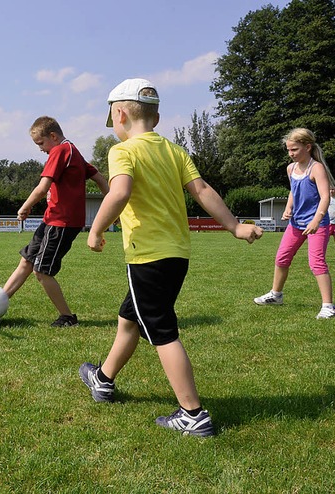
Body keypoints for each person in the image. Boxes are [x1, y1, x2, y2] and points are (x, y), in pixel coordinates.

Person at [79, 78, 263, 437]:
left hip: (147, 256)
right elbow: (203, 190)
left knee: (163, 331)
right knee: (129, 318)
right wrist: (235, 227)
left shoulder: (123, 151)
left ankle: (193, 414)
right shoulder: (174, 151)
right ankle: (103, 379)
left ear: (119, 114)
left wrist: (96, 229)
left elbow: (120, 192)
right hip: (177, 255)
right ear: (157, 119)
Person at [0, 116, 109, 327]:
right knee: (26, 262)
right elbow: (99, 178)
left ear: (53, 136)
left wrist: (25, 206)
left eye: (41, 143)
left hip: (62, 223)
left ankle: (67, 317)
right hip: (52, 220)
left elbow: (42, 187)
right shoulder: (74, 152)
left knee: (42, 271)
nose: (41, 149)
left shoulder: (60, 151)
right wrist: (112, 199)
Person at [254, 128, 335, 319]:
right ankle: (276, 295)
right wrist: (288, 208)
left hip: (317, 224)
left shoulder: (316, 168)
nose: (291, 154)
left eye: (295, 150)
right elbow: (293, 191)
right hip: (296, 224)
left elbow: (325, 197)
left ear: (307, 147)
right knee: (282, 258)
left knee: (316, 263)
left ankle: (328, 306)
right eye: (289, 150)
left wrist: (316, 220)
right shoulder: (291, 169)